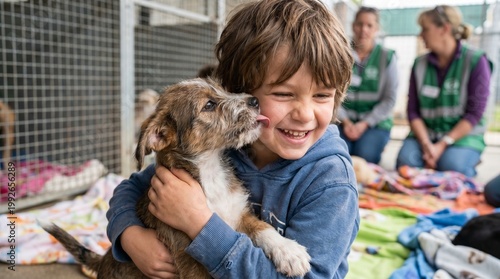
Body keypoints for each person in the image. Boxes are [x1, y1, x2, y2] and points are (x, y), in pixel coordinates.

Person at [106, 0, 360, 278]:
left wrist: (199, 223)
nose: (304, 114)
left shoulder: (330, 182)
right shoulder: (229, 143)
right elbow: (130, 189)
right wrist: (130, 237)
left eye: (322, 95)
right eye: (284, 94)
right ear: (241, 91)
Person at [396, 5, 492, 177]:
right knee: (406, 163)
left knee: (451, 166)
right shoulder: (419, 64)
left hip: (462, 137)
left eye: (425, 29)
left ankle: (466, 160)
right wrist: (427, 145)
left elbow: (475, 113)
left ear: (444, 29)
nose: (421, 35)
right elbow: (413, 112)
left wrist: (441, 145)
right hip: (426, 135)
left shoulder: (476, 61)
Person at [337, 6, 398, 165]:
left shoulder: (387, 57)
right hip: (343, 121)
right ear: (353, 26)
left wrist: (364, 124)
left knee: (365, 155)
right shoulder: (340, 54)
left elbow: (389, 100)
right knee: (338, 153)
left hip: (374, 124)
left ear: (376, 28)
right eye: (359, 24)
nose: (363, 30)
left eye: (369, 25)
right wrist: (346, 121)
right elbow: (331, 93)